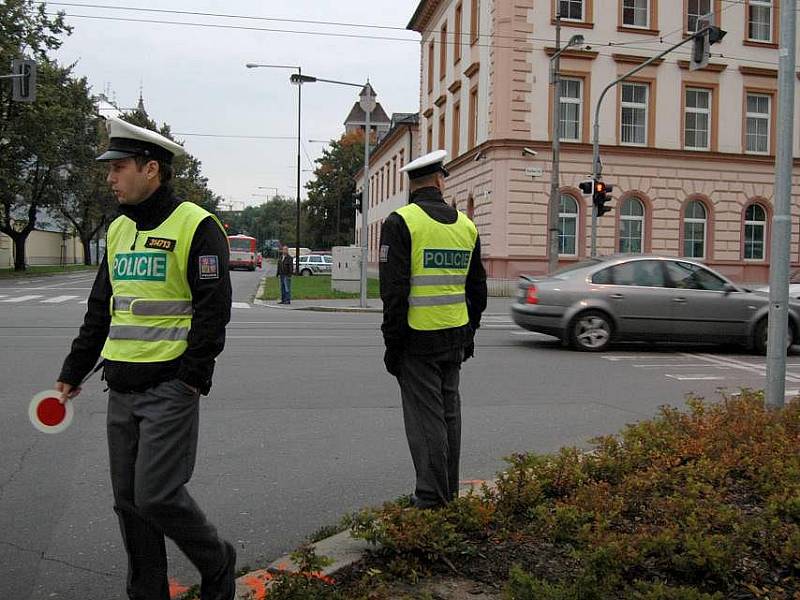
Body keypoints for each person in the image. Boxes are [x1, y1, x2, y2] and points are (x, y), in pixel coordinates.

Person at [56, 117, 236, 600]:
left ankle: (217, 560)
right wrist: (72, 372)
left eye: (118, 168)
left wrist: (191, 379)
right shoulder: (117, 231)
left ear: (150, 168)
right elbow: (101, 309)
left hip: (170, 387)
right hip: (122, 387)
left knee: (156, 495)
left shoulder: (195, 225)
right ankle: (147, 592)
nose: (110, 178)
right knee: (129, 504)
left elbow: (213, 310)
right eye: (109, 169)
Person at [379, 149, 487, 509]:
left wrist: (392, 346)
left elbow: (393, 293)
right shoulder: (466, 226)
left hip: (417, 340)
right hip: (455, 335)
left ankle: (431, 497)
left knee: (425, 419)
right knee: (449, 415)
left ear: (412, 184)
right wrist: (470, 332)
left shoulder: (401, 222)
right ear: (441, 180)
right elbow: (478, 291)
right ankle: (449, 492)